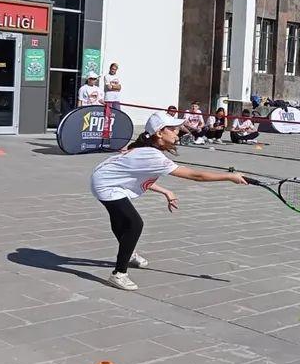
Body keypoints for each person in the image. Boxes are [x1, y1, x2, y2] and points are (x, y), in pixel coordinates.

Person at [91, 112, 247, 290]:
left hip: (106, 179)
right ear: (159, 133)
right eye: (172, 129)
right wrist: (229, 177)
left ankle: (129, 252)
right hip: (106, 185)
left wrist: (165, 191)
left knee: (121, 220)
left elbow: (136, 176)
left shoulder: (149, 151)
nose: (177, 132)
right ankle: (119, 274)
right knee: (134, 224)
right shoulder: (152, 155)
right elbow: (196, 176)